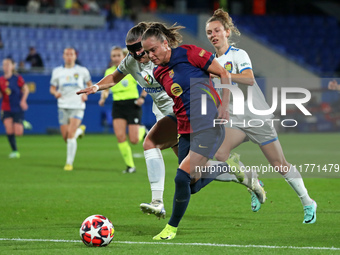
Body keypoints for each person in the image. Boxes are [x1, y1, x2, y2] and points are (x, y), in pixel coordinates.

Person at [77, 22, 264, 221]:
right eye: (131, 51)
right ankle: (234, 170)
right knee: (192, 181)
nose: (138, 55)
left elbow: (204, 75)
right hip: (168, 116)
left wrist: (218, 102)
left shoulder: (166, 59)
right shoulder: (133, 61)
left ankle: (157, 202)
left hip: (183, 115)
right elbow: (115, 77)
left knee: (150, 143)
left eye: (140, 49)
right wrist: (96, 87)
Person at [140, 22, 253, 240]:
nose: (150, 55)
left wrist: (223, 105)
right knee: (191, 186)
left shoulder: (189, 52)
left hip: (209, 125)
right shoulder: (158, 73)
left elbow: (223, 74)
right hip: (185, 129)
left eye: (153, 49)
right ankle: (225, 166)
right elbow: (180, 99)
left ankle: (171, 228)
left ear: (165, 44)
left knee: (181, 177)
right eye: (147, 52)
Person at [205, 9, 317, 224]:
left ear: (227, 32)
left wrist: (224, 75)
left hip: (256, 116)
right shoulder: (210, 60)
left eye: (217, 30)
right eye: (209, 32)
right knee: (220, 153)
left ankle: (307, 201)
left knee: (279, 164)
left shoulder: (239, 55)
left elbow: (247, 79)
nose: (213, 35)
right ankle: (253, 182)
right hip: (234, 120)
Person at [98, 46, 148, 174]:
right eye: (113, 56)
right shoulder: (109, 71)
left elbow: (146, 83)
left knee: (134, 140)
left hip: (132, 104)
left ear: (123, 56)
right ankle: (130, 166)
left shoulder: (131, 69)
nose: (115, 58)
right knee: (120, 137)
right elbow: (106, 87)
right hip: (118, 105)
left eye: (118, 55)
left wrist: (142, 97)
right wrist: (103, 97)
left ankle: (142, 130)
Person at [50, 47, 92, 171]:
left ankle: (69, 163)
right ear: (63, 56)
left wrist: (85, 94)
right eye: (67, 54)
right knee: (66, 137)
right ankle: (80, 131)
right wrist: (55, 93)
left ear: (75, 56)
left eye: (71, 54)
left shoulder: (82, 70)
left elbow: (90, 85)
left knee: (70, 136)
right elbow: (52, 88)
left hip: (77, 105)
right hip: (63, 106)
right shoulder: (57, 71)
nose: (69, 56)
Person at [0, 58, 29, 158]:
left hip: (17, 107)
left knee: (18, 132)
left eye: (8, 64)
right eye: (4, 64)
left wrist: (23, 100)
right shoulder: (1, 80)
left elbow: (26, 89)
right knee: (9, 130)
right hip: (6, 108)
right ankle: (15, 151)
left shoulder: (17, 78)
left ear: (13, 66)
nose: (6, 66)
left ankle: (23, 123)